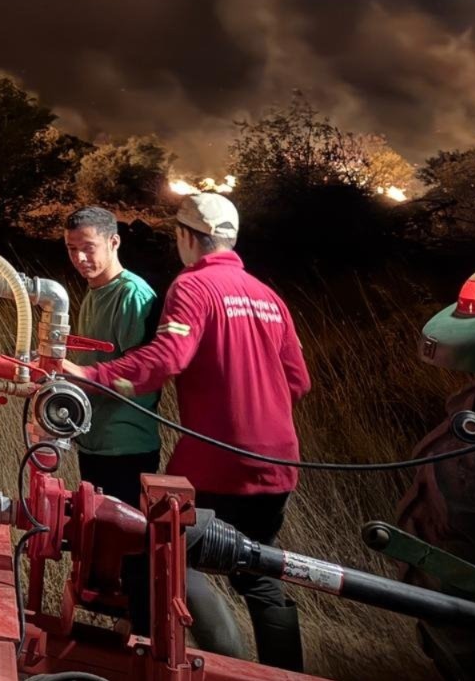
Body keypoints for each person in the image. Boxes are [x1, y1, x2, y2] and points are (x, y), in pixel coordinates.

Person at [63, 192, 311, 670]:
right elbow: (298, 381)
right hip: (280, 463)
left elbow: (166, 360)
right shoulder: (268, 296)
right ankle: (286, 674)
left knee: (162, 556)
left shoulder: (192, 288)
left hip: (218, 460)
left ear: (184, 237)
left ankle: (220, 665)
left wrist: (89, 376)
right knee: (260, 574)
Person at [62, 205, 161, 636]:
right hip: (95, 443)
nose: (80, 258)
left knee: (134, 556)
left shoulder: (132, 294)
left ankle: (143, 640)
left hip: (127, 446)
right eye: (71, 250)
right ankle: (113, 645)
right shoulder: (93, 293)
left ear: (114, 241)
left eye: (88, 248)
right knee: (100, 558)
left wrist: (74, 380)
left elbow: (140, 373)